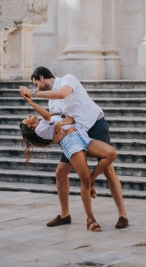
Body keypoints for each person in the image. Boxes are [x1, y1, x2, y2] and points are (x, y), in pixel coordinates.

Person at [19, 66, 129, 229]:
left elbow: (62, 94)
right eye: (34, 87)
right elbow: (56, 124)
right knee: (60, 172)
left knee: (108, 170)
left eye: (36, 84)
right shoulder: (51, 100)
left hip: (94, 125)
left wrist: (32, 94)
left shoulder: (67, 80)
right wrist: (57, 137)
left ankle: (122, 215)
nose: (37, 88)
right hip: (75, 135)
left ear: (42, 78)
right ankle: (65, 215)